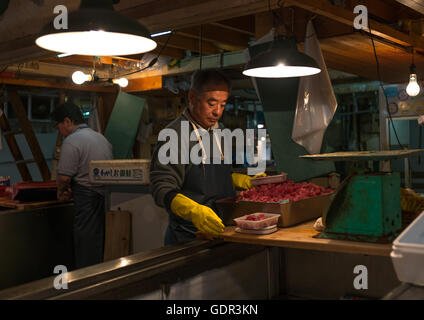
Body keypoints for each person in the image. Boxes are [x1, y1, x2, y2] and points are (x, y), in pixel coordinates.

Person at [150, 69, 263, 245]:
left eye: (223, 105)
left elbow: (208, 177)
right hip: (189, 238)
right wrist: (194, 211)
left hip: (222, 231)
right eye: (211, 104)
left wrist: (241, 180)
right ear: (193, 98)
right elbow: (161, 188)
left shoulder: (217, 130)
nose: (217, 111)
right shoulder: (175, 135)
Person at [51, 102, 113, 269]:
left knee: (86, 245)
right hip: (105, 197)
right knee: (98, 243)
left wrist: (61, 191)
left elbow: (64, 178)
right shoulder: (101, 138)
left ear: (67, 121)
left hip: (87, 200)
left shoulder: (72, 141)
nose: (59, 131)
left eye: (58, 126)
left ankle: (85, 287)